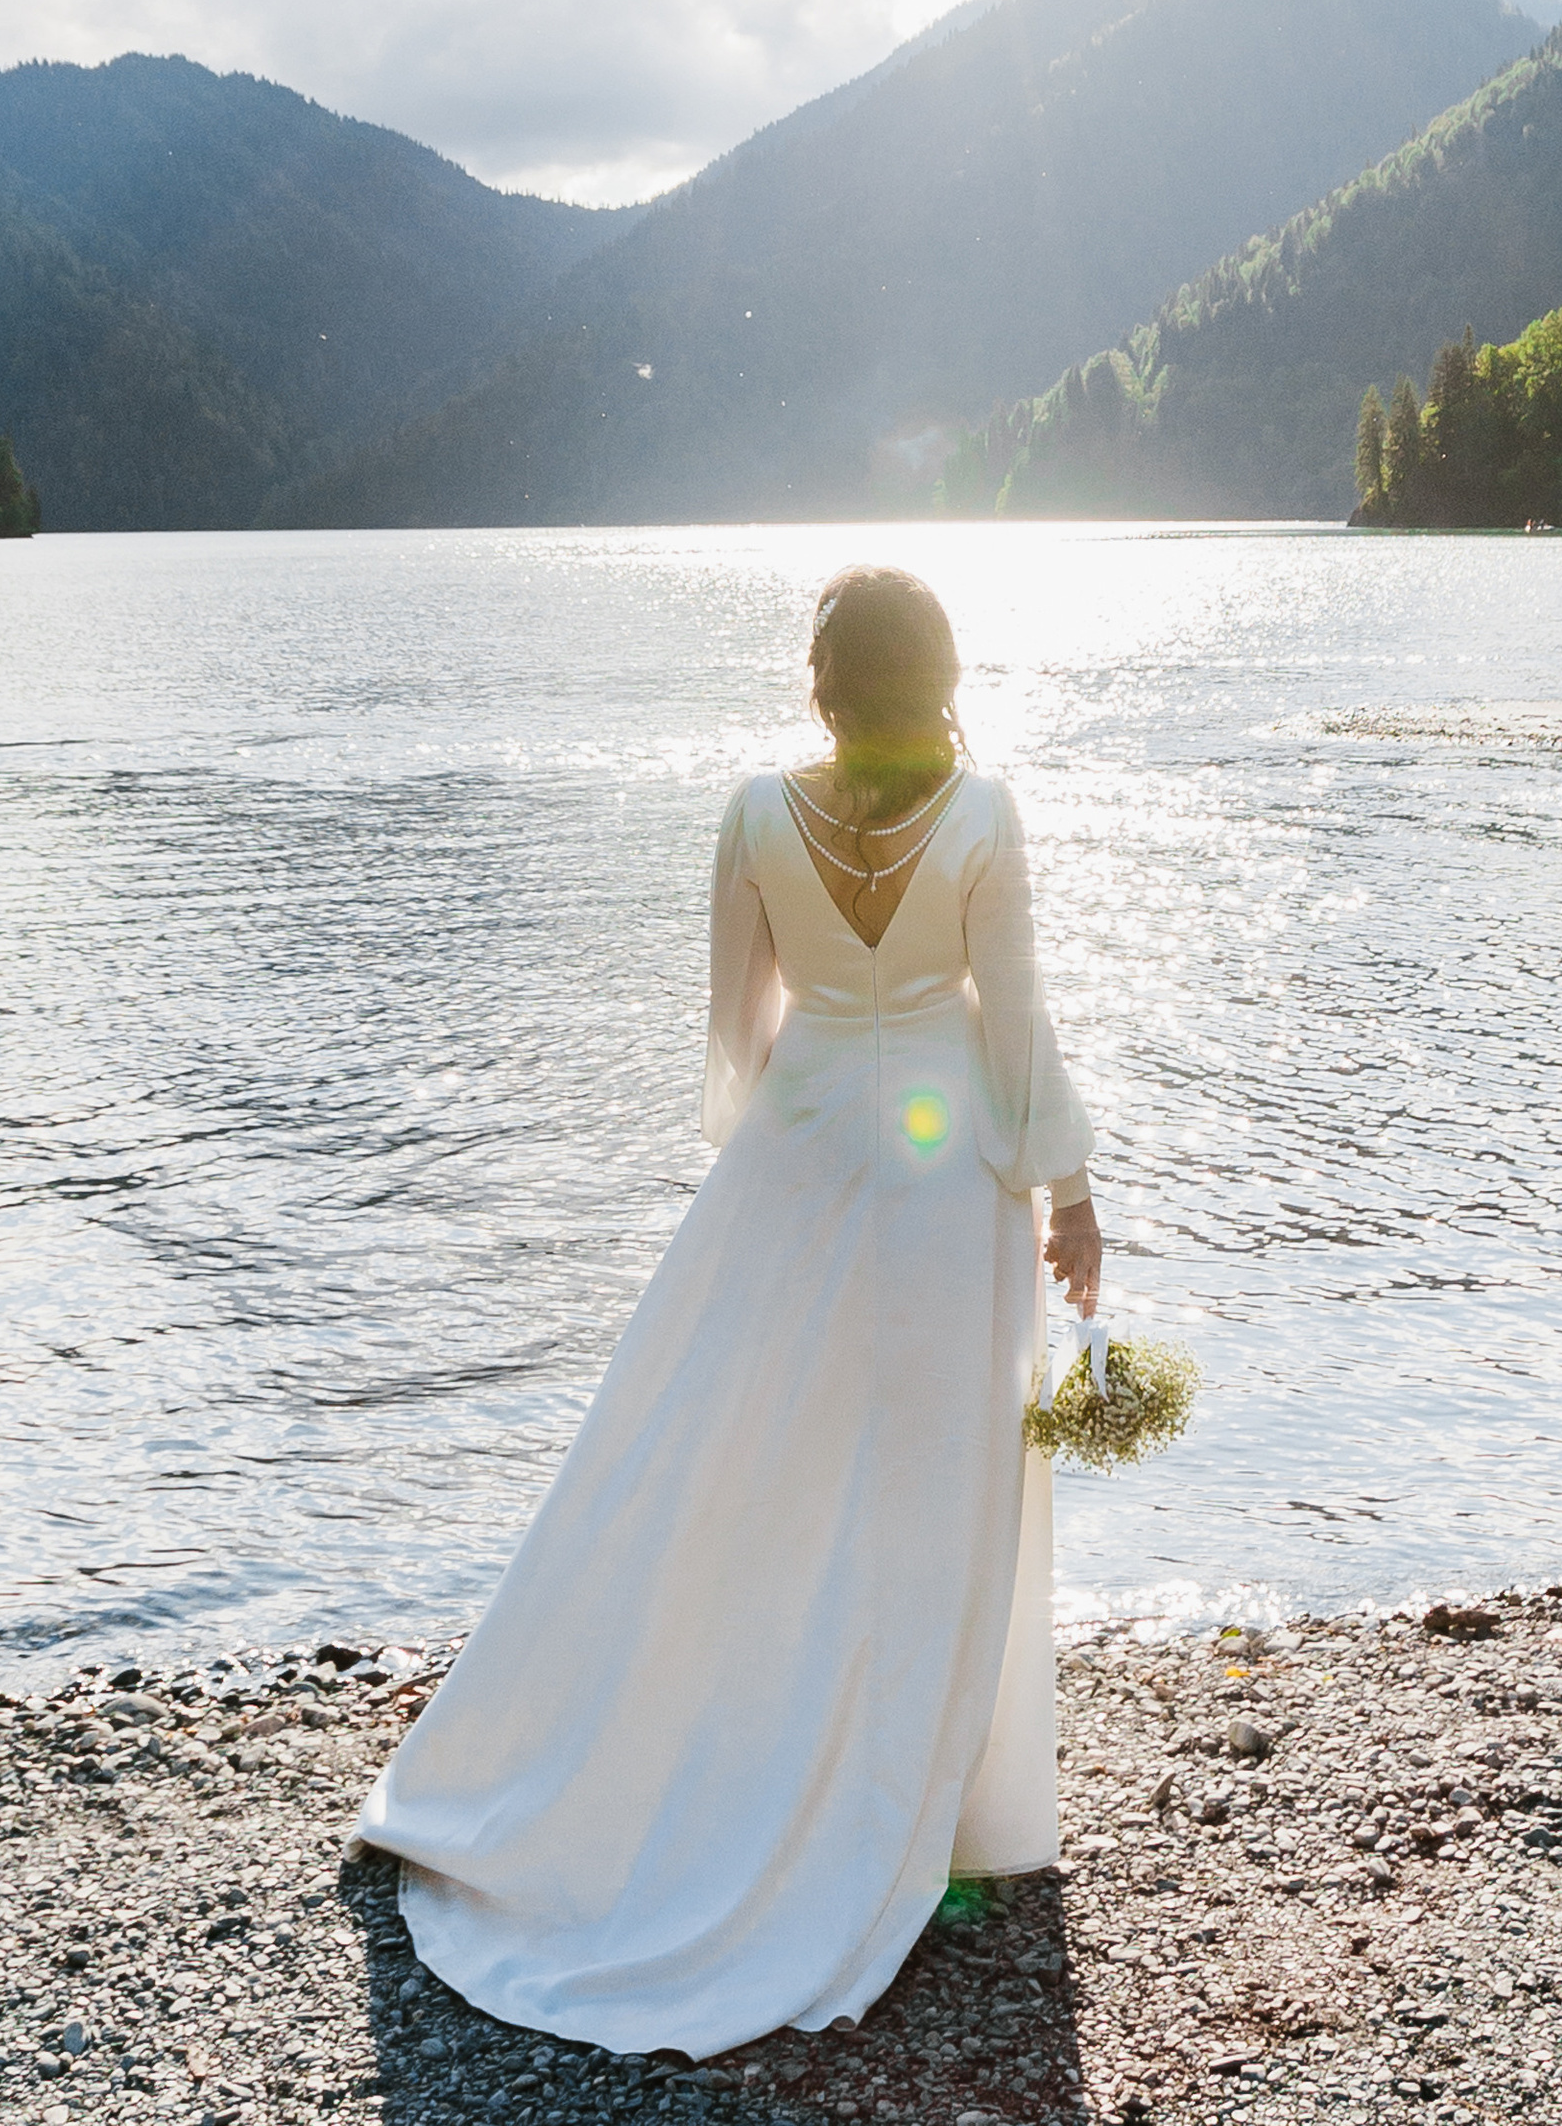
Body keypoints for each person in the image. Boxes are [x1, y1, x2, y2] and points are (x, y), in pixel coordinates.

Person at [352, 563, 1101, 2061]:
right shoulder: (986, 814)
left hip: (805, 1148)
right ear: (938, 674)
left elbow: (732, 1039)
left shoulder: (759, 813)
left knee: (752, 1463)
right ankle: (930, 1803)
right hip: (951, 1182)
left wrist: (798, 1147)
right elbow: (1013, 1027)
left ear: (822, 683)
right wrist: (1069, 1189)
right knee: (933, 1480)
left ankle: (706, 1745)